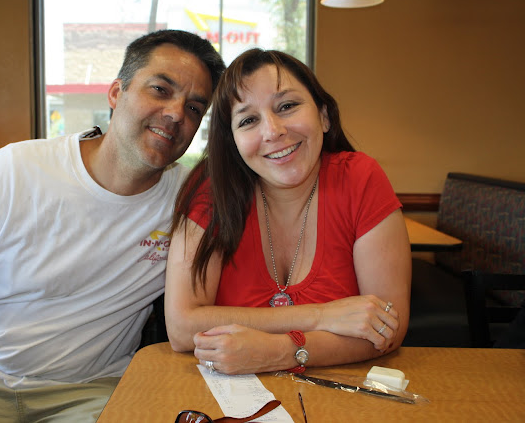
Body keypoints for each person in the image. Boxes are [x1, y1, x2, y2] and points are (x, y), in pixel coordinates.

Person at [0, 30, 224, 421]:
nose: (177, 114)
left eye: (194, 107)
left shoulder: (191, 201)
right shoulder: (14, 170)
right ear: (116, 93)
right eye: (160, 90)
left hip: (93, 392)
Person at [165, 48, 411, 375]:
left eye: (287, 106)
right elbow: (182, 328)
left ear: (324, 116)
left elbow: (387, 328)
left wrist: (280, 351)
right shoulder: (210, 190)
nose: (273, 131)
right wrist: (321, 316)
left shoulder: (360, 178)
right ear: (233, 141)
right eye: (248, 120)